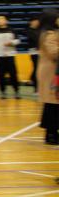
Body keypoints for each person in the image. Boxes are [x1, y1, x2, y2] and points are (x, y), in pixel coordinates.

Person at [36, 9, 59, 145]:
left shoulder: (50, 33)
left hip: (51, 71)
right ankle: (51, 133)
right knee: (52, 103)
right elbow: (54, 53)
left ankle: (52, 132)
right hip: (50, 72)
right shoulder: (49, 35)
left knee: (53, 104)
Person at [26, 18, 42, 92]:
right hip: (34, 52)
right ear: (31, 22)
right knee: (36, 68)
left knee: (39, 69)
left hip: (41, 51)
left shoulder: (39, 30)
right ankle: (36, 88)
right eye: (35, 21)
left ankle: (32, 79)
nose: (37, 22)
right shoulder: (29, 30)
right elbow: (35, 39)